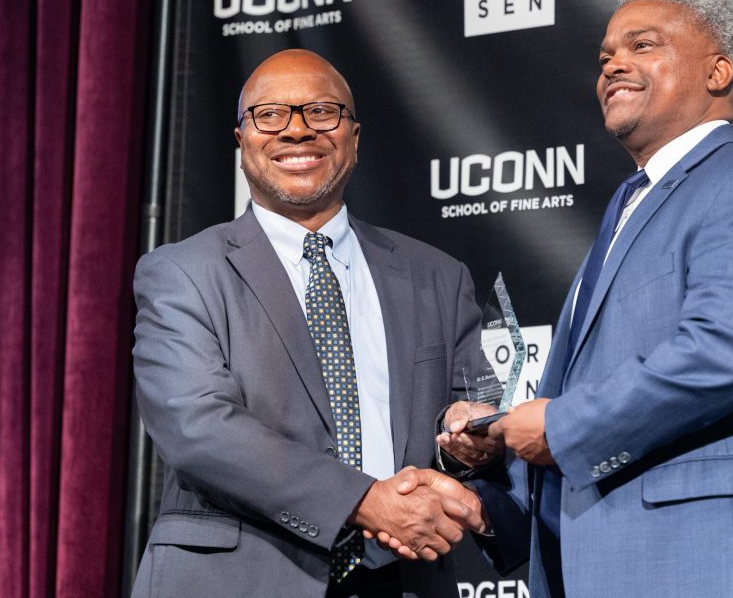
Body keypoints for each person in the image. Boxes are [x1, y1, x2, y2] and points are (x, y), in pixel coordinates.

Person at [430, 0, 733, 597]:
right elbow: (592, 405)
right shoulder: (632, 204)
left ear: (718, 71)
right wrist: (498, 483)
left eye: (642, 45)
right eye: (605, 57)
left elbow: (726, 352)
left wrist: (561, 427)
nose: (613, 65)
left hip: (713, 565)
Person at [131, 49, 487, 598]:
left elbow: (467, 423)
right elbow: (197, 427)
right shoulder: (182, 272)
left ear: (355, 136)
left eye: (322, 112)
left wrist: (466, 446)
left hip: (403, 578)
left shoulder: (438, 276)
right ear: (242, 140)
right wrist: (365, 502)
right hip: (238, 579)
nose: (297, 131)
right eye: (270, 115)